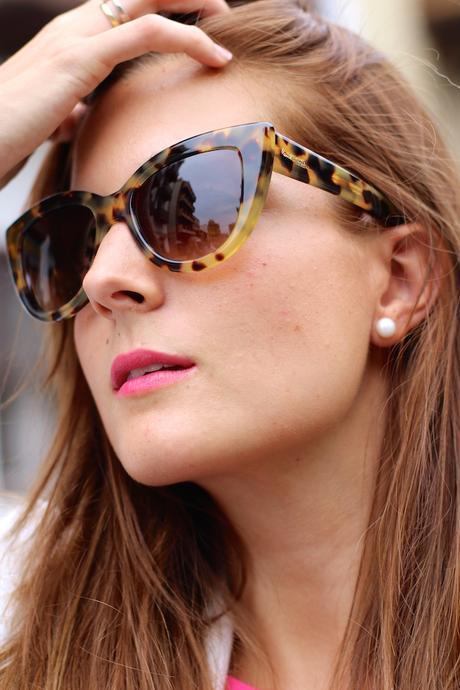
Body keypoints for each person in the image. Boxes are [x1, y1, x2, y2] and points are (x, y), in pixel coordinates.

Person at [1, 0, 459, 688]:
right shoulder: (24, 632)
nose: (104, 280)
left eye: (193, 201)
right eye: (70, 240)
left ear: (398, 278)